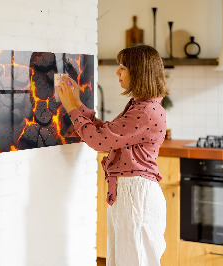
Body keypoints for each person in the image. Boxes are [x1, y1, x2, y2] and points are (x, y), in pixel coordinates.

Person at [56, 44, 168, 266]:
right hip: (131, 193)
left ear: (139, 72)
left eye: (123, 67)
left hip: (136, 195)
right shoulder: (141, 106)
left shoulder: (145, 111)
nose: (117, 72)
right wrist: (77, 103)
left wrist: (71, 108)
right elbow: (107, 133)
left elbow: (99, 141)